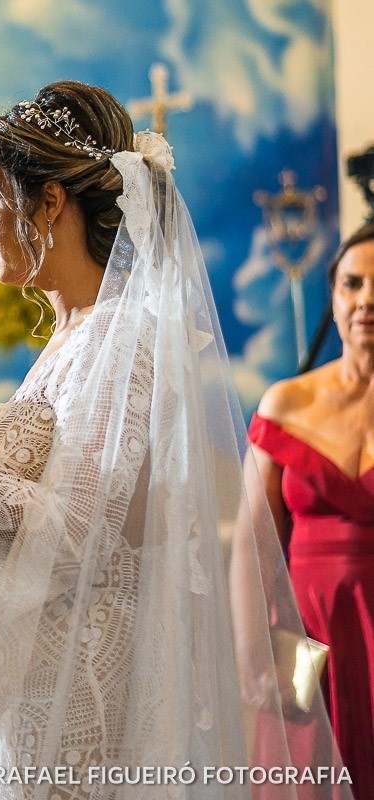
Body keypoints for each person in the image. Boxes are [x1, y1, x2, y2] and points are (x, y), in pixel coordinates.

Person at [0, 81, 349, 799]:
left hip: (80, 700)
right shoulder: (70, 338)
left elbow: (72, 539)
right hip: (32, 683)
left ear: (51, 203)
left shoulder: (123, 337)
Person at [244, 223, 374, 800]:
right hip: (307, 642)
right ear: (335, 295)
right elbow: (252, 547)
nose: (366, 299)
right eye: (352, 284)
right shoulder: (286, 401)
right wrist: (251, 657)